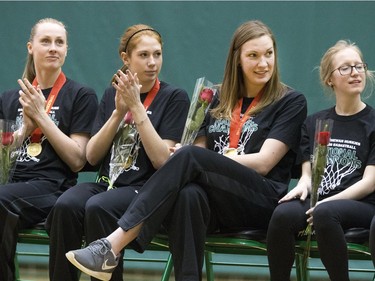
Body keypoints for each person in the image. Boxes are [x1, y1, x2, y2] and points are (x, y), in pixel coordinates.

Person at [66, 20, 307, 281]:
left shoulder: (290, 100)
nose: (263, 63)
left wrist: (201, 157)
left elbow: (264, 163)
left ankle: (112, 244)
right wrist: (188, 152)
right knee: (189, 193)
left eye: (268, 54)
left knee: (190, 158)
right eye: (253, 56)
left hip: (260, 199)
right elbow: (197, 149)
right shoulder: (213, 97)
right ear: (237, 59)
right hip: (215, 200)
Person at [45, 24, 190, 281]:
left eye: (157, 54)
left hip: (146, 189)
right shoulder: (112, 93)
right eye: (143, 55)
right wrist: (117, 113)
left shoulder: (174, 97)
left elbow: (161, 161)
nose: (152, 62)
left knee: (99, 207)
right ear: (126, 58)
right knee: (66, 205)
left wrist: (137, 107)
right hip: (107, 183)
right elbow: (91, 156)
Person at [267, 40, 375, 281]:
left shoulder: (373, 122)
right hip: (321, 201)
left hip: (363, 204)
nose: (355, 72)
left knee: (326, 213)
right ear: (330, 79)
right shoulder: (314, 122)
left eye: (359, 66)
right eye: (345, 68)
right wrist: (304, 186)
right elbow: (307, 173)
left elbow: (370, 182)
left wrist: (327, 203)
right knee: (282, 215)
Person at [0, 18, 98, 281]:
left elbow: (78, 160)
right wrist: (23, 130)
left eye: (60, 42)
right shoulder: (10, 98)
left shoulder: (80, 95)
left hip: (52, 186)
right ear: (30, 47)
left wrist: (42, 119)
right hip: (11, 184)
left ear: (66, 50)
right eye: (46, 41)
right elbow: (2, 161)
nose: (53, 47)